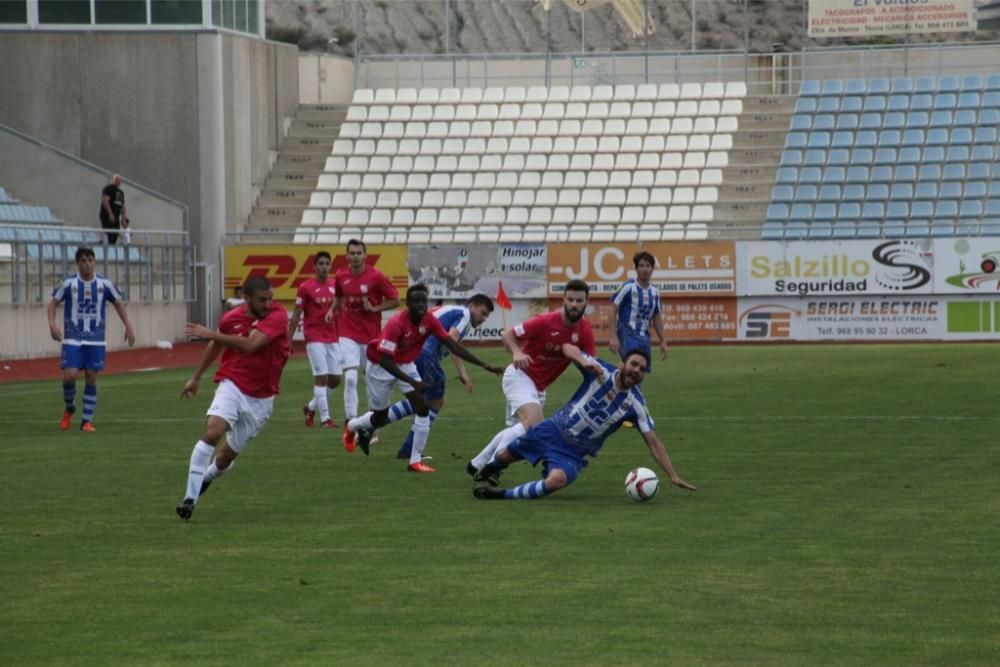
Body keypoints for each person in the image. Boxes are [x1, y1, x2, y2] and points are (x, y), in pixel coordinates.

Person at [472, 348, 697, 500]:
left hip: (574, 454)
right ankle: (492, 468)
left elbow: (653, 442)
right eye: (634, 364)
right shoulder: (599, 369)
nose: (636, 371)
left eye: (642, 369)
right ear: (623, 364)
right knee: (502, 457)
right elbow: (569, 348)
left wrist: (672, 475)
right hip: (551, 430)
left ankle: (501, 495)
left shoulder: (636, 405)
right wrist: (582, 361)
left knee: (556, 481)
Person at [343, 284, 503, 472]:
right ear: (408, 304)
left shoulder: (429, 319)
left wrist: (484, 365)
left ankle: (414, 459)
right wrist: (413, 382)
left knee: (424, 405)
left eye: (423, 302)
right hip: (382, 367)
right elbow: (386, 360)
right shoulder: (397, 323)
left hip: (409, 361)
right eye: (416, 301)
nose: (421, 305)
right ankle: (354, 426)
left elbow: (452, 344)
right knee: (382, 416)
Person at [175, 276, 290, 520]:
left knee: (225, 458)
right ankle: (189, 498)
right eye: (262, 300)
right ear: (246, 299)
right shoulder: (231, 318)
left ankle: (206, 478)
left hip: (262, 398)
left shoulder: (278, 316)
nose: (268, 304)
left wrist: (210, 333)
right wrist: (196, 378)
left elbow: (250, 345)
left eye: (270, 299)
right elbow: (215, 347)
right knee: (213, 432)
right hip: (233, 384)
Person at [468, 279, 596, 484]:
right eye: (570, 299)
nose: (574, 304)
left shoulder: (585, 331)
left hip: (539, 388)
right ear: (563, 299)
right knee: (534, 424)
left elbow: (589, 364)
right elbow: (508, 335)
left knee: (521, 431)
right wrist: (517, 352)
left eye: (579, 300)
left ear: (586, 302)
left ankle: (476, 463)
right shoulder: (545, 321)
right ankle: (491, 467)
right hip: (519, 375)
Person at [380, 294, 495, 463]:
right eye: (482, 312)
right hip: (426, 354)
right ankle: (407, 448)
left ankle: (373, 426)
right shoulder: (464, 314)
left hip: (416, 351)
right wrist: (463, 372)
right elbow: (453, 342)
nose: (483, 318)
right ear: (472, 306)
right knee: (434, 401)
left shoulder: (453, 311)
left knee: (422, 401)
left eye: (486, 316)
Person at [47, 246, 136, 432]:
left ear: (94, 262)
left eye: (90, 260)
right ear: (77, 263)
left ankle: (86, 421)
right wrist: (52, 324)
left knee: (90, 376)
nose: (87, 264)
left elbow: (119, 304)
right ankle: (70, 406)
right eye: (83, 261)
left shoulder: (105, 284)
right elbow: (53, 303)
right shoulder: (67, 283)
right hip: (73, 338)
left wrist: (128, 326)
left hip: (96, 339)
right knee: (70, 375)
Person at [327, 239, 400, 451]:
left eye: (359, 253)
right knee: (350, 378)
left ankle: (372, 426)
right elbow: (339, 296)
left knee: (373, 383)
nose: (356, 256)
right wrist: (333, 310)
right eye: (352, 253)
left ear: (365, 255)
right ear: (347, 256)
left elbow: (395, 300)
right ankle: (350, 424)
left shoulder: (376, 277)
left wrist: (375, 308)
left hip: (371, 337)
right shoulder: (341, 276)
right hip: (347, 333)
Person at [288, 250, 342, 429]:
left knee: (335, 379)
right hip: (314, 337)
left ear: (330, 266)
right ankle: (325, 419)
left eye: (327, 263)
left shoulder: (336, 285)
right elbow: (296, 314)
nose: (324, 267)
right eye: (321, 264)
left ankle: (311, 408)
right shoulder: (305, 288)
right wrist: (288, 338)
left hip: (333, 337)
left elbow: (341, 309)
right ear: (314, 266)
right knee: (321, 378)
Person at [609, 251, 668, 368]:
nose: (645, 269)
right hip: (626, 334)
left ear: (652, 269)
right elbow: (612, 309)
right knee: (631, 369)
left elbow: (657, 317)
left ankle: (615, 379)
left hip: (644, 338)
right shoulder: (628, 287)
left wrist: (663, 340)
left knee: (639, 373)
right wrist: (613, 336)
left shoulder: (655, 292)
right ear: (636, 269)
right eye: (641, 266)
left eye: (648, 266)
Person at [99, 174, 126, 245]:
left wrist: (123, 219)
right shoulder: (108, 189)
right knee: (109, 233)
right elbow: (105, 201)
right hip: (107, 216)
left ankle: (112, 249)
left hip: (116, 217)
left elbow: (122, 206)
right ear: (114, 180)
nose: (119, 182)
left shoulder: (120, 192)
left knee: (115, 235)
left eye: (120, 181)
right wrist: (110, 213)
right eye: (118, 180)